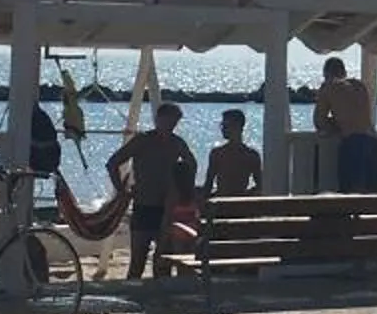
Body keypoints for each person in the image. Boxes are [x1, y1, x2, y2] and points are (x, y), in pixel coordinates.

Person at [107, 103, 199, 281]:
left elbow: (192, 165)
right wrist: (122, 191)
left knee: (163, 261)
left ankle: (161, 304)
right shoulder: (143, 140)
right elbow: (113, 163)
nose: (171, 125)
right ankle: (133, 299)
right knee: (137, 261)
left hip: (167, 209)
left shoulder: (177, 142)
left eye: (174, 122)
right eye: (168, 121)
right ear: (158, 119)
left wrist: (183, 191)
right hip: (144, 205)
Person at [315, 55, 377, 192]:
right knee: (371, 197)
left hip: (353, 144)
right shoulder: (359, 85)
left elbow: (319, 121)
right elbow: (362, 116)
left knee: (349, 195)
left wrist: (335, 125)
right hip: (373, 143)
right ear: (344, 71)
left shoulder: (328, 87)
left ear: (326, 73)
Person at [205, 108, 262, 202]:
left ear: (238, 126)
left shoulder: (251, 155)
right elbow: (208, 184)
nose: (222, 129)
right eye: (222, 125)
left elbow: (260, 185)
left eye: (226, 125)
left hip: (231, 202)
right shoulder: (251, 154)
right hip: (229, 201)